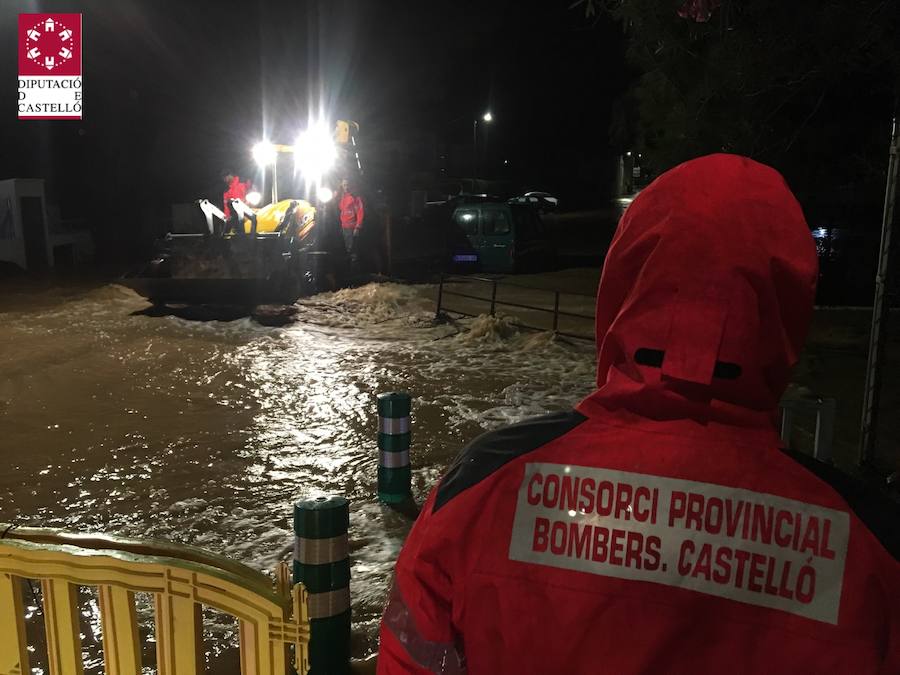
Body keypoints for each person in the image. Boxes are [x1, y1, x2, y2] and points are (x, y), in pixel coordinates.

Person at [377, 154, 900, 674]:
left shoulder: (481, 487)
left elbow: (410, 659)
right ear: (785, 308)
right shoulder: (873, 557)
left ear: (624, 278)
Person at [339, 178, 365, 255]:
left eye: (347, 185)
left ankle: (354, 265)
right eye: (344, 185)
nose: (346, 187)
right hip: (344, 228)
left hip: (352, 228)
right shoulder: (342, 198)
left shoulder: (356, 198)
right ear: (342, 186)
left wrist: (357, 227)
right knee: (347, 250)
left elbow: (360, 212)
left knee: (353, 251)